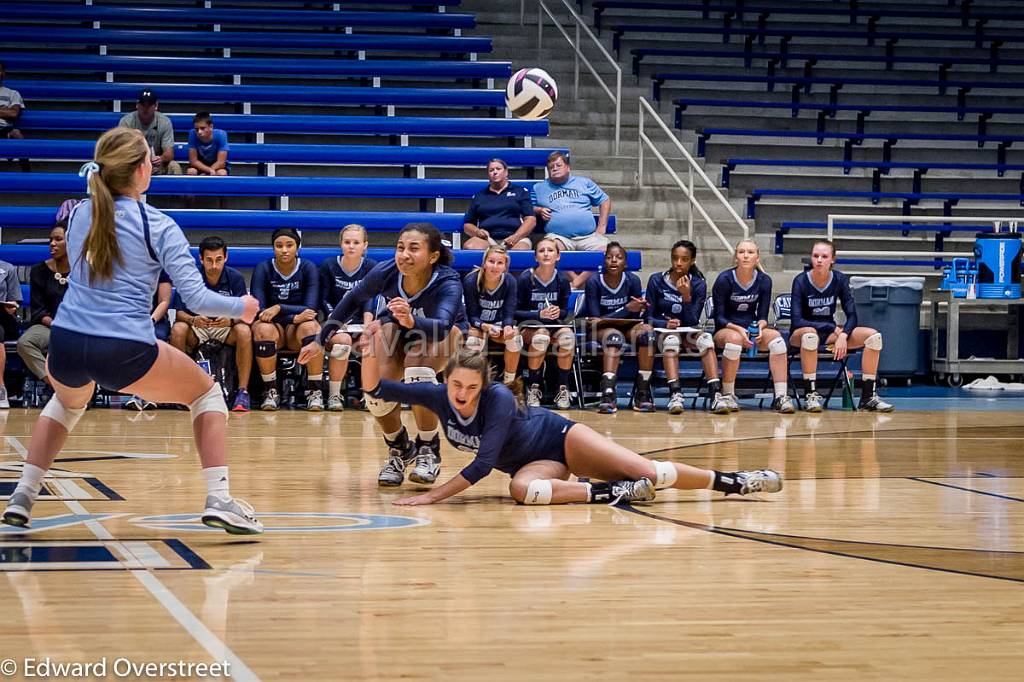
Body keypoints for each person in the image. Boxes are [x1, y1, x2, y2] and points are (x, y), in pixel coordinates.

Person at [1, 127, 262, 534]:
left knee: (66, 404)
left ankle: (24, 494)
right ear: (144, 170)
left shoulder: (80, 213)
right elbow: (196, 298)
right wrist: (241, 307)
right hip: (123, 347)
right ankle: (219, 499)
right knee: (207, 394)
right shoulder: (157, 224)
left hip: (66, 343)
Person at [357, 344, 783, 506]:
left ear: (483, 385)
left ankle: (736, 481)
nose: (462, 394)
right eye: (455, 386)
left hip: (560, 440)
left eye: (470, 387)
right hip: (534, 465)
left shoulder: (499, 398)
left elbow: (483, 465)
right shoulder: (436, 396)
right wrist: (371, 344)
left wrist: (433, 498)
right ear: (446, 382)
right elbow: (376, 386)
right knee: (523, 491)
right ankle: (612, 493)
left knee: (653, 472)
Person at [298, 223, 464, 488]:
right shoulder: (386, 271)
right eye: (400, 247)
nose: (404, 254)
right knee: (377, 393)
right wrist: (321, 339)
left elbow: (443, 325)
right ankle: (399, 448)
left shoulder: (447, 280)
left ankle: (428, 449)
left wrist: (411, 320)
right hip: (398, 330)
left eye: (413, 248)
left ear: (433, 256)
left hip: (439, 334)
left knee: (417, 372)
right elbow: (352, 300)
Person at [789, 241, 894, 413]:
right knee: (810, 335)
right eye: (816, 256)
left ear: (833, 259)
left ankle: (868, 397)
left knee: (874, 337)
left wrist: (843, 335)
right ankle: (811, 395)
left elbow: (852, 315)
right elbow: (797, 320)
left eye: (824, 256)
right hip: (801, 334)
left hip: (830, 334)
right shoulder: (800, 281)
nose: (819, 260)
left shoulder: (839, 279)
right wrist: (832, 327)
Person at [169, 236, 253, 413]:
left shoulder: (235, 278)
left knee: (244, 331)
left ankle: (242, 392)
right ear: (201, 259)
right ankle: (179, 389)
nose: (214, 266)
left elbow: (245, 312)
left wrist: (230, 320)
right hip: (198, 328)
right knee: (178, 329)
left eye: (218, 260)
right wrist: (193, 320)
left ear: (226, 257)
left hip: (226, 329)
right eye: (209, 260)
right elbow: (179, 313)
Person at [645, 239, 727, 415]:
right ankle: (675, 394)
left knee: (706, 340)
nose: (678, 263)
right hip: (663, 332)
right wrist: (664, 324)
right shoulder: (656, 280)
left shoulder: (698, 284)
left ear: (692, 261)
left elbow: (692, 320)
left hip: (688, 332)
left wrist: (686, 296)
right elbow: (647, 317)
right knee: (672, 341)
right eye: (675, 258)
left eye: (684, 259)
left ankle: (716, 394)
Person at [712, 239, 794, 414]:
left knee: (777, 340)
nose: (746, 256)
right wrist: (739, 330)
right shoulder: (724, 279)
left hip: (751, 329)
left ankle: (780, 397)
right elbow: (719, 318)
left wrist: (759, 329)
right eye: (741, 252)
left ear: (757, 257)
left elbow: (763, 316)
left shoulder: (764, 280)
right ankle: (728, 395)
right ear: (736, 257)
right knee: (734, 340)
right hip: (727, 330)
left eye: (750, 252)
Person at [250, 228, 322, 411]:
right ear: (273, 248)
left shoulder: (308, 267)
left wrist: (279, 308)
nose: (284, 250)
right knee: (262, 328)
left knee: (312, 327)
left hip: (296, 331)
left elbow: (311, 308)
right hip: (275, 328)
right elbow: (260, 310)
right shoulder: (263, 268)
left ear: (297, 247)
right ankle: (270, 391)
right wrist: (293, 317)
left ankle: (315, 392)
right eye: (279, 245)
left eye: (289, 245)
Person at [582, 242, 654, 414]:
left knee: (647, 334)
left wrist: (633, 310)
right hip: (600, 330)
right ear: (604, 261)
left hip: (627, 326)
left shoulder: (633, 281)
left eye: (619, 257)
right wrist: (625, 309)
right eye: (609, 257)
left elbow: (635, 316)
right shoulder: (593, 281)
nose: (614, 260)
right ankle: (608, 395)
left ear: (625, 263)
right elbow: (595, 319)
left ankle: (642, 392)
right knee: (613, 336)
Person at [318, 224, 377, 412]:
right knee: (342, 342)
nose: (351, 246)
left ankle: (369, 395)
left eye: (356, 242)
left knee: (372, 342)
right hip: (335, 322)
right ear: (341, 244)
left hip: (361, 323)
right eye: (347, 242)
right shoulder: (329, 265)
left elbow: (370, 299)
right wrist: (336, 321)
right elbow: (324, 298)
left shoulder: (370, 266)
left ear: (365, 246)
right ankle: (335, 395)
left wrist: (368, 325)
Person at [532, 151, 611, 288]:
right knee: (549, 251)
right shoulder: (539, 188)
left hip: (588, 236)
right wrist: (538, 210)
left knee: (608, 252)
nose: (555, 168)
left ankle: (576, 283)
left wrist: (602, 226)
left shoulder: (584, 183)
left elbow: (605, 200)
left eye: (558, 165)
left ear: (568, 168)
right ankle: (577, 282)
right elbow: (527, 208)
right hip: (559, 237)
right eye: (551, 167)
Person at [515, 237, 575, 410]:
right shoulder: (526, 278)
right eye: (542, 251)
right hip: (528, 327)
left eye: (550, 250)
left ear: (558, 256)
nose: (546, 254)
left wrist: (558, 312)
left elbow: (564, 311)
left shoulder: (562, 280)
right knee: (541, 337)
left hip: (553, 326)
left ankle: (562, 388)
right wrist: (538, 314)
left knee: (568, 338)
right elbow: (514, 312)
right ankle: (533, 388)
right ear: (535, 257)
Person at [17, 224, 70, 391]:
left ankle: (84, 385)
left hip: (78, 326)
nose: (52, 243)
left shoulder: (83, 270)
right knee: (25, 342)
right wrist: (54, 324)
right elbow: (38, 309)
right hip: (49, 325)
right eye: (51, 240)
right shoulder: (39, 270)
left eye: (58, 239)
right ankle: (56, 385)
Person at [463, 244, 521, 385]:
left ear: (505, 266)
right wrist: (485, 326)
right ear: (484, 263)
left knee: (515, 339)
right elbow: (471, 315)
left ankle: (510, 384)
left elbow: (509, 311)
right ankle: (472, 383)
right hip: (477, 325)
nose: (495, 266)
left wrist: (507, 326)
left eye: (499, 263)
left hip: (498, 324)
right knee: (473, 342)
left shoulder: (510, 281)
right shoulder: (471, 281)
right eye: (491, 261)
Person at [462, 159, 536, 251]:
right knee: (471, 246)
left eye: (498, 169)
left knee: (521, 250)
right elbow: (467, 225)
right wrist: (477, 232)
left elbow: (531, 219)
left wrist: (516, 236)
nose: (495, 172)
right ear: (488, 174)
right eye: (491, 170)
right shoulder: (479, 196)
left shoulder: (520, 192)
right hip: (487, 239)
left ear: (506, 172)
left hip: (515, 237)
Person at [124, 269, 171, 411]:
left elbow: (164, 301)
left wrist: (150, 320)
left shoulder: (159, 267)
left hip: (154, 321)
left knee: (154, 338)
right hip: (126, 320)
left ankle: (145, 393)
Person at [117, 88, 182, 176]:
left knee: (174, 166)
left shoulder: (164, 122)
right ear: (137, 105)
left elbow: (169, 153)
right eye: (143, 104)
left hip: (156, 165)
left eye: (149, 105)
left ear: (156, 106)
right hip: (134, 164)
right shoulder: (126, 121)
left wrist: (161, 158)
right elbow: (121, 150)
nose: (146, 108)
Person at [0, 255, 22, 409]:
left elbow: (14, 300)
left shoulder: (8, 268)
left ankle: (0, 388)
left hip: (3, 319)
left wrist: (12, 306)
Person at [186, 112, 229, 177]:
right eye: (197, 129)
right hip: (199, 165)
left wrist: (206, 173)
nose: (199, 132)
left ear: (211, 127)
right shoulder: (192, 133)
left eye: (202, 128)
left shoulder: (221, 134)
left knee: (221, 173)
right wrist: (209, 170)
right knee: (191, 171)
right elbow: (193, 161)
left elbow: (221, 162)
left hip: (216, 165)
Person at [0, 62, 25, 141]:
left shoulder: (13, 93)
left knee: (16, 133)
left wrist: (9, 112)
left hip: (2, 129)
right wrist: (3, 111)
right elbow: (9, 112)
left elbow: (13, 113)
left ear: (3, 74)